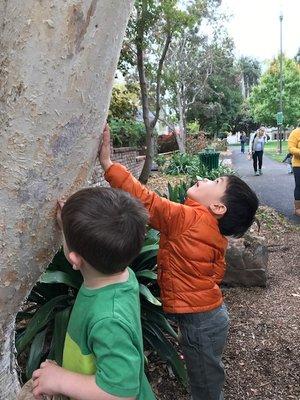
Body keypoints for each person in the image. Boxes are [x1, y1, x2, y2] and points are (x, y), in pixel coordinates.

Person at [99, 124, 259, 400]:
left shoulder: (188, 220)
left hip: (201, 322)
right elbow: (216, 271)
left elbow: (147, 202)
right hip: (210, 317)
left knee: (204, 386)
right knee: (207, 375)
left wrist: (108, 164)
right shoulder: (212, 230)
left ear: (218, 207)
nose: (205, 179)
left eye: (215, 182)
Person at [31, 187, 155, 400]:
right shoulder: (122, 274)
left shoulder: (109, 320)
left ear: (75, 259)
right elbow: (89, 253)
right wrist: (67, 227)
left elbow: (120, 393)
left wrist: (60, 379)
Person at [288, 126, 300, 216]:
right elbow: (291, 148)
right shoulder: (295, 132)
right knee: (299, 186)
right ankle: (297, 208)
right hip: (298, 165)